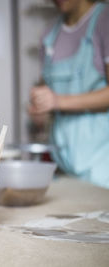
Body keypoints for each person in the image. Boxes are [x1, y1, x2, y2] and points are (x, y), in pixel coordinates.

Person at [29, 0, 109, 188]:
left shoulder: (104, 21)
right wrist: (39, 109)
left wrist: (58, 101)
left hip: (102, 163)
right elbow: (44, 88)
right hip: (63, 163)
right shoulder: (50, 33)